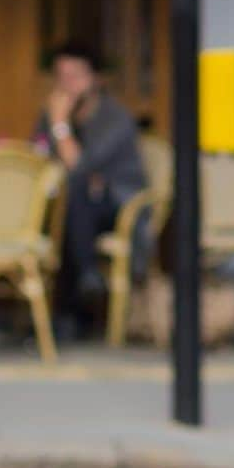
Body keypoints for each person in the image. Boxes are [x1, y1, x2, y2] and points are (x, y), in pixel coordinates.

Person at [32, 41, 146, 339]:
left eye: (77, 75)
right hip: (71, 207)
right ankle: (81, 287)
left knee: (76, 189)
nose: (68, 84)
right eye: (62, 76)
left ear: (96, 79)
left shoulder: (114, 117)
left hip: (118, 207)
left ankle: (72, 306)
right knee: (66, 203)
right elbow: (38, 161)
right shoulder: (49, 116)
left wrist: (59, 124)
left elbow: (79, 165)